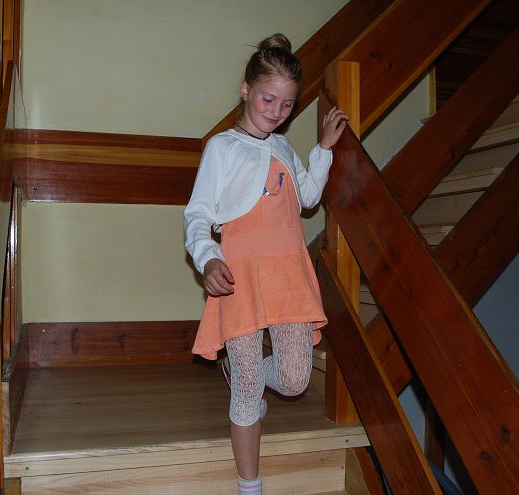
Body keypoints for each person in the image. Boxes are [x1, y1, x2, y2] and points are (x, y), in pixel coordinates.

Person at [183, 33, 348, 495]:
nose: (276, 112)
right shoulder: (222, 148)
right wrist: (208, 258)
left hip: (289, 277)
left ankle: (244, 376)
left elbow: (308, 198)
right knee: (247, 389)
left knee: (295, 380)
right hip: (240, 278)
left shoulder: (284, 147)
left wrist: (324, 149)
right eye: (267, 99)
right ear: (245, 90)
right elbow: (198, 215)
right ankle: (249, 485)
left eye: (287, 104)